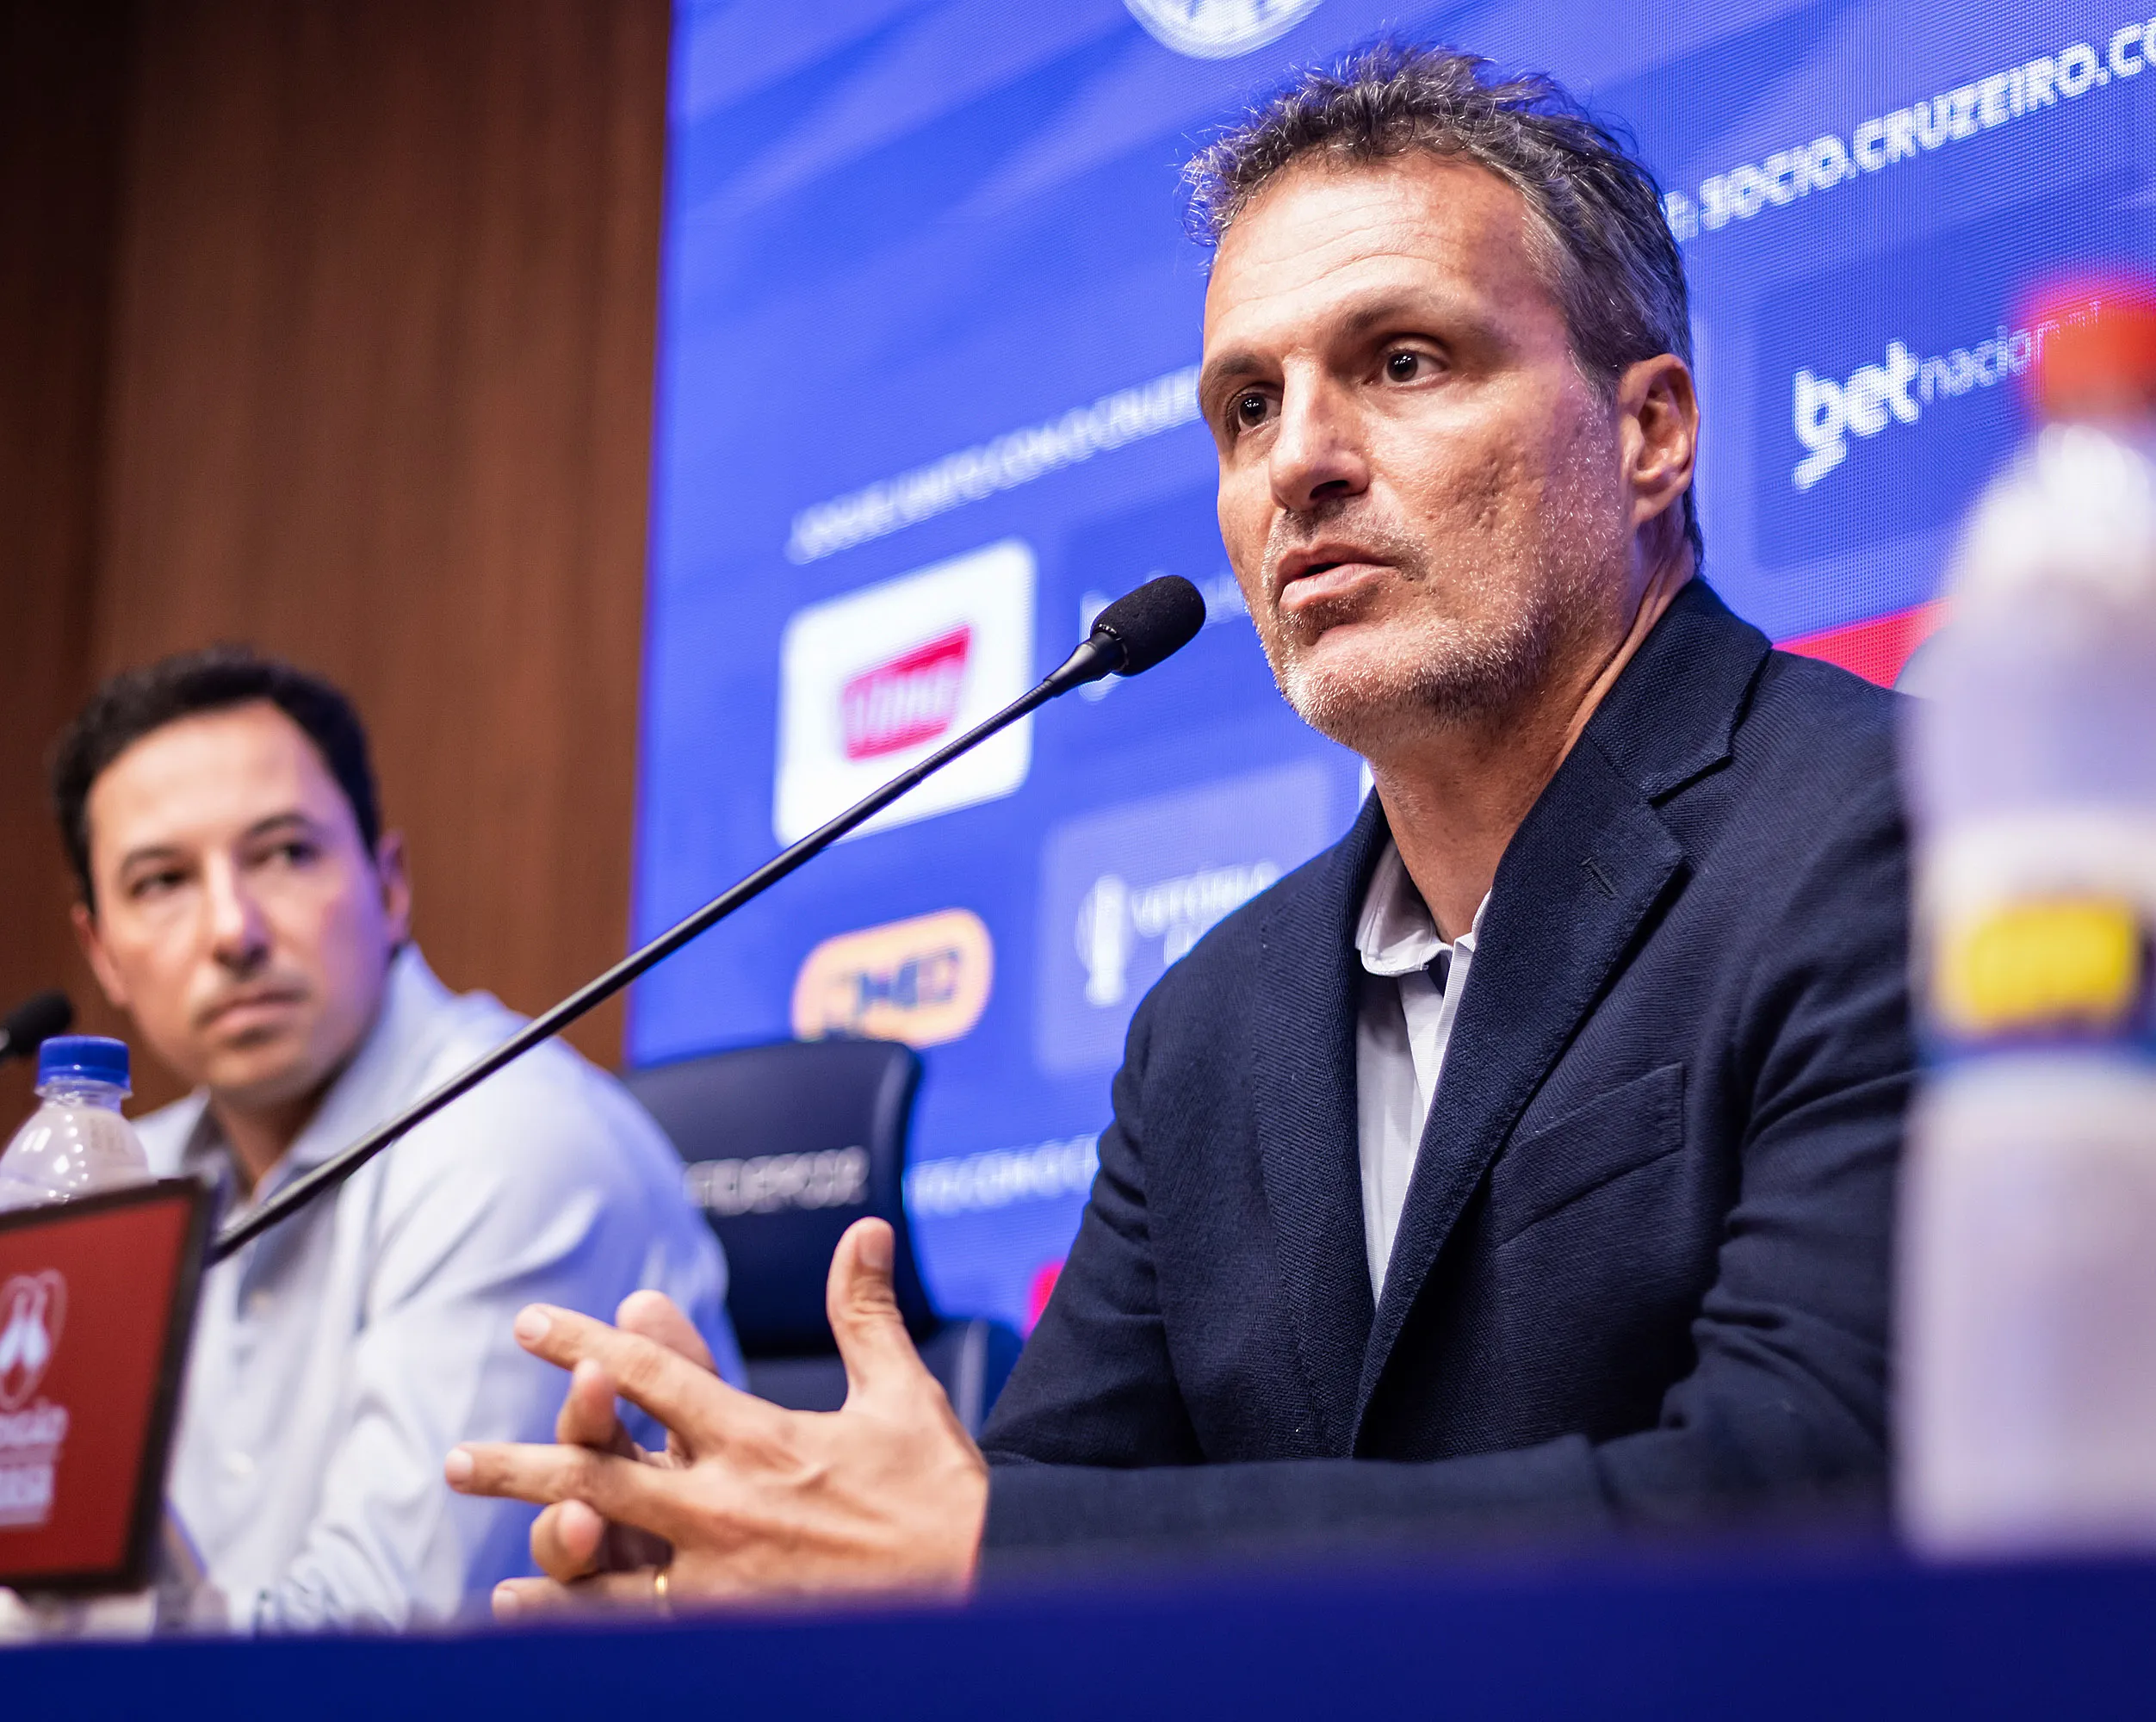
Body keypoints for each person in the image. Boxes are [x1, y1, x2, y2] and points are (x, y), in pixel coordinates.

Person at [443, 42, 1909, 1612]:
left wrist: (965, 1554)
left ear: (1652, 433)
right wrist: (765, 1590)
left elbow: (1814, 1487)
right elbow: (1048, 1539)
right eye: (1247, 407)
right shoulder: (1215, 1022)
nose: (1301, 463)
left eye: (1405, 361)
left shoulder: (1892, 838)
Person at [0, 647, 738, 1649]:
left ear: (390, 887)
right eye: (161, 882)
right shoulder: (107, 1169)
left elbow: (373, 1649)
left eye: (285, 855)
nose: (233, 931)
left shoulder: (510, 1139)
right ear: (101, 953)